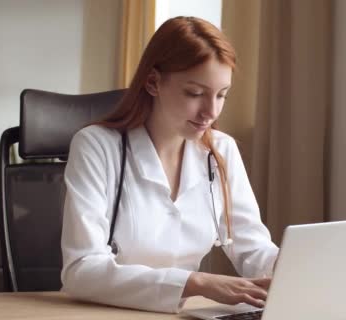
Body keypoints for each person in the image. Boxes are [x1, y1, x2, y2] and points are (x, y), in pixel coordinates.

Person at [60, 16, 279, 313]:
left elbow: (252, 247)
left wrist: (291, 268)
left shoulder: (221, 150)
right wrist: (196, 282)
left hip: (181, 314)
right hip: (100, 312)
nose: (210, 112)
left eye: (221, 95)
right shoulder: (97, 146)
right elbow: (82, 271)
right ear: (153, 82)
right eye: (195, 93)